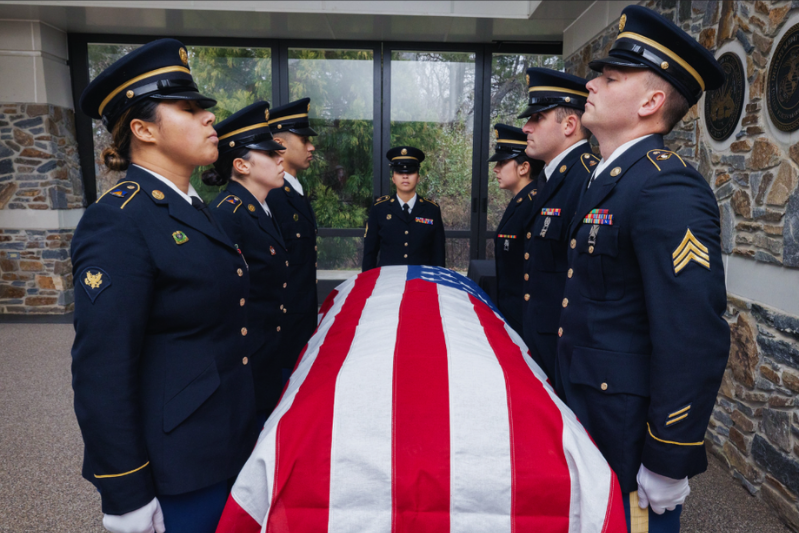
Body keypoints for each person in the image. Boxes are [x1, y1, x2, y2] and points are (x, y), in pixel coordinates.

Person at [72, 39, 259, 533]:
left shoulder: (196, 208)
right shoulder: (118, 221)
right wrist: (125, 492)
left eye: (205, 109)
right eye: (190, 108)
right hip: (180, 464)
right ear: (143, 129)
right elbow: (102, 369)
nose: (208, 118)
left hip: (227, 439)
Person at [556, 6, 729, 531]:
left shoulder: (664, 186)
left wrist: (670, 454)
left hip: (627, 437)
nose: (591, 83)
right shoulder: (608, 178)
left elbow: (692, 332)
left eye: (610, 78)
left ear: (652, 102)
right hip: (589, 415)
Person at [205, 101, 290, 423]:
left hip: (267, 350)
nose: (280, 158)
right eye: (269, 154)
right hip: (245, 359)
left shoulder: (259, 208)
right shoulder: (229, 215)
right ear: (242, 165)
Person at [518, 68, 597, 388]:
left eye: (537, 118)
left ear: (569, 125)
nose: (526, 127)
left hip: (564, 355)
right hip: (540, 343)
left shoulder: (587, 179)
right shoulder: (547, 180)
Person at [265, 98, 318, 378]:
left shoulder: (293, 190)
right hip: (282, 338)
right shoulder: (273, 195)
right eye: (304, 139)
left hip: (299, 329)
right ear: (279, 143)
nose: (311, 147)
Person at [489, 123, 543, 335]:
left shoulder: (533, 204)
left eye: (502, 163)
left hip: (525, 318)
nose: (496, 169)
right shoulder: (520, 202)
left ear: (524, 168)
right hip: (512, 313)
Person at [362, 146, 445, 271]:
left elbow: (438, 254)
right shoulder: (379, 209)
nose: (405, 176)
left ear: (418, 178)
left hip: (421, 282)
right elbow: (370, 253)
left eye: (410, 172)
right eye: (400, 172)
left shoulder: (431, 210)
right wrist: (368, 285)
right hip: (387, 282)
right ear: (393, 178)